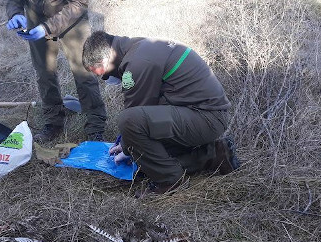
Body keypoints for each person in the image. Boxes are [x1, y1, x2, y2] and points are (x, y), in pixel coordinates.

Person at [82, 31, 240, 197]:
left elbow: (134, 116)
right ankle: (215, 154)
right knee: (151, 156)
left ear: (106, 60)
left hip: (206, 118)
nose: (102, 78)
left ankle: (169, 180)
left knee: (129, 124)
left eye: (98, 72)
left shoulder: (137, 63)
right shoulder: (137, 48)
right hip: (202, 114)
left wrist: (128, 148)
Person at [0, 0, 107, 142]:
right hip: (35, 13)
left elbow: (80, 0)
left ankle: (95, 125)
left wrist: (49, 27)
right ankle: (53, 122)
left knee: (83, 69)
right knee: (44, 72)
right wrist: (16, 13)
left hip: (70, 13)